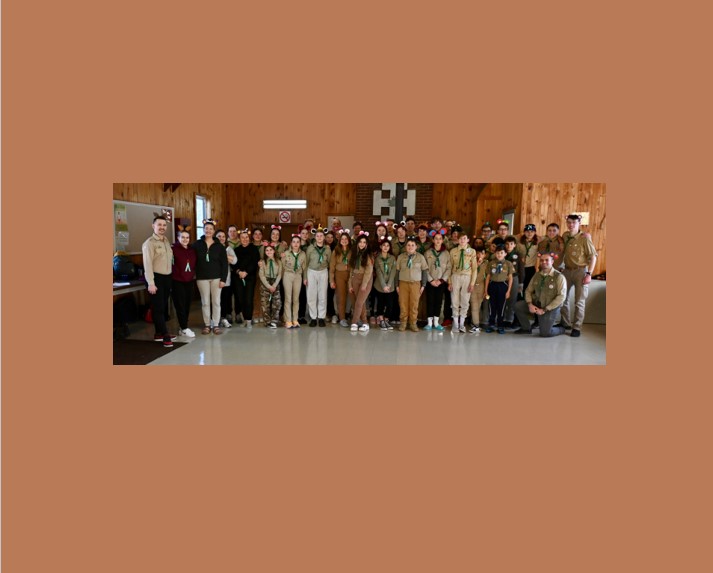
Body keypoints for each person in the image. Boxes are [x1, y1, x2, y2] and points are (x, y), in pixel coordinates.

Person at [513, 251, 567, 337]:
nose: (544, 262)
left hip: (549, 307)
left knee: (545, 333)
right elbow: (528, 290)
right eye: (541, 260)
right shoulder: (537, 275)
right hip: (537, 305)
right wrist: (530, 304)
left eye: (547, 260)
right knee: (518, 305)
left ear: (552, 262)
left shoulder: (559, 277)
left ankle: (561, 329)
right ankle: (526, 328)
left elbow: (561, 297)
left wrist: (545, 309)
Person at [561, 214, 598, 337]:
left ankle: (576, 327)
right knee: (562, 298)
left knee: (579, 301)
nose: (571, 225)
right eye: (569, 222)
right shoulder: (565, 235)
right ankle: (565, 323)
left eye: (574, 222)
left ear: (579, 223)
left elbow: (593, 257)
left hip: (580, 271)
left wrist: (589, 274)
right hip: (567, 271)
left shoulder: (584, 238)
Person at [142, 215, 177, 347]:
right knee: (158, 308)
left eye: (164, 225)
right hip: (155, 278)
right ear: (153, 226)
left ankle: (158, 333)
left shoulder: (166, 241)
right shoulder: (149, 243)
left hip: (167, 278)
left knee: (162, 307)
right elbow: (147, 265)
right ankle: (165, 335)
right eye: (159, 225)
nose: (162, 227)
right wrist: (151, 283)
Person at [192, 219, 228, 335]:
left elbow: (224, 264)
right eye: (206, 228)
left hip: (216, 278)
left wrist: (223, 279)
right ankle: (207, 324)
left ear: (213, 231)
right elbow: (189, 255)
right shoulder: (197, 244)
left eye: (211, 229)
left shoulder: (219, 246)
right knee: (205, 302)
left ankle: (216, 324)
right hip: (202, 278)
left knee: (216, 302)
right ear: (203, 230)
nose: (208, 230)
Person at [395, 238, 428, 332]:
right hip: (403, 283)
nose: (410, 247)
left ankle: (413, 323)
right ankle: (403, 322)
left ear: (416, 247)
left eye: (412, 245)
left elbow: (424, 271)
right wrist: (396, 285)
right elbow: (397, 271)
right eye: (408, 245)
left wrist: (423, 285)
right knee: (403, 304)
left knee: (414, 304)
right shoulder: (401, 257)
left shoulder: (420, 257)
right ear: (406, 247)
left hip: (415, 284)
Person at [448, 234, 477, 333]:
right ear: (457, 240)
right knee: (454, 300)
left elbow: (474, 268)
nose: (462, 240)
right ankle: (455, 324)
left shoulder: (472, 251)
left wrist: (472, 283)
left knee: (465, 300)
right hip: (455, 276)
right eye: (460, 238)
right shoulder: (453, 251)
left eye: (464, 238)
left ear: (468, 240)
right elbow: (450, 267)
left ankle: (462, 324)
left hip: (467, 277)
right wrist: (449, 282)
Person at [171, 228, 197, 338]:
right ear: (178, 238)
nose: (185, 239)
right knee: (180, 305)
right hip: (177, 281)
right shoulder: (173, 249)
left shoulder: (192, 250)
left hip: (189, 280)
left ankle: (183, 327)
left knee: (187, 304)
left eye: (187, 237)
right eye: (182, 237)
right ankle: (184, 327)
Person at [233, 228, 260, 328]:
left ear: (249, 238)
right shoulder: (236, 250)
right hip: (238, 277)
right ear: (239, 239)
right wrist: (239, 272)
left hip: (250, 277)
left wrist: (246, 272)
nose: (245, 239)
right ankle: (245, 318)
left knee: (248, 299)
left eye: (246, 237)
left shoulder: (254, 249)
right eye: (242, 237)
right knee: (241, 299)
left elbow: (255, 262)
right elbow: (233, 264)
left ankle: (249, 320)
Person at [424, 230, 452, 331]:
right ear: (433, 240)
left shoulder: (446, 253)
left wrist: (441, 280)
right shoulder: (427, 252)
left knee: (439, 302)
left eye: (440, 239)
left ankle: (436, 322)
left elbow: (449, 268)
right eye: (436, 239)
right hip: (430, 282)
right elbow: (425, 268)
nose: (438, 241)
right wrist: (431, 280)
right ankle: (429, 323)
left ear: (443, 240)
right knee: (430, 301)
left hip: (441, 282)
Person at [305, 226, 332, 326]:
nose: (319, 238)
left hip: (323, 272)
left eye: (321, 236)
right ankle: (313, 317)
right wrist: (305, 277)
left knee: (322, 295)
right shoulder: (310, 248)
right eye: (317, 236)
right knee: (311, 295)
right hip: (311, 271)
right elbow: (306, 263)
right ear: (315, 237)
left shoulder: (327, 249)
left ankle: (321, 317)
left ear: (324, 237)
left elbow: (330, 262)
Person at [484, 244, 513, 334]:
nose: (499, 254)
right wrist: (486, 290)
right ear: (495, 253)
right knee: (492, 306)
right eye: (497, 253)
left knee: (501, 307)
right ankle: (491, 325)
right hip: (492, 285)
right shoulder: (491, 263)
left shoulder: (508, 264)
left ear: (505, 254)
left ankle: (500, 325)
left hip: (503, 285)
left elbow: (510, 278)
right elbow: (488, 277)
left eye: (501, 253)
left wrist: (508, 291)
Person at [348, 233, 374, 331]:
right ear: (357, 243)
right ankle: (365, 323)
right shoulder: (354, 254)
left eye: (364, 242)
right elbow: (351, 270)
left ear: (367, 244)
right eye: (360, 242)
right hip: (355, 278)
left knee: (359, 302)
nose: (362, 244)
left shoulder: (369, 255)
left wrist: (364, 284)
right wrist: (350, 284)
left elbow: (368, 272)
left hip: (365, 280)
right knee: (360, 303)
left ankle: (354, 322)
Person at [282, 234, 308, 329]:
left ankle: (295, 319)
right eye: (294, 242)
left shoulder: (303, 254)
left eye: (298, 242)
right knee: (288, 298)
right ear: (291, 243)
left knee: (296, 299)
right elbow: (282, 266)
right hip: (288, 275)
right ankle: (288, 320)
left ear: (300, 243)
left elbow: (305, 268)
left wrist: (305, 278)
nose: (296, 244)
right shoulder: (286, 253)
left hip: (298, 276)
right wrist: (282, 278)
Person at [329, 230, 352, 327]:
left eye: (346, 239)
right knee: (341, 297)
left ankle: (352, 316)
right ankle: (342, 318)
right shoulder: (336, 251)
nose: (344, 240)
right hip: (339, 275)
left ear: (349, 240)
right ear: (340, 240)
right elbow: (332, 267)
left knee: (351, 296)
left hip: (350, 275)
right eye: (342, 239)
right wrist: (331, 280)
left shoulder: (352, 251)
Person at [373, 237, 396, 330]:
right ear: (380, 247)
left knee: (390, 304)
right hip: (380, 285)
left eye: (387, 246)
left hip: (390, 286)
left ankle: (386, 319)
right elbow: (378, 272)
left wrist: (389, 285)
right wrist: (384, 286)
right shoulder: (377, 258)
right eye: (384, 245)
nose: (386, 247)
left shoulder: (392, 258)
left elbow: (393, 271)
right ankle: (381, 320)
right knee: (380, 303)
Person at [216, 229, 237, 329]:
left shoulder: (228, 248)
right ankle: (215, 319)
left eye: (223, 236)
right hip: (214, 278)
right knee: (215, 300)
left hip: (226, 279)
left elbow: (234, 260)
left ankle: (223, 318)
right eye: (219, 236)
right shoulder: (212, 248)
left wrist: (224, 256)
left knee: (224, 300)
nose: (221, 238)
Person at [258, 244, 283, 328]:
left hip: (275, 282)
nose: (269, 252)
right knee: (265, 303)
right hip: (266, 283)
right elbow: (261, 275)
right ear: (265, 252)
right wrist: (269, 286)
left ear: (274, 251)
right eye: (267, 250)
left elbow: (280, 274)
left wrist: (274, 285)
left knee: (277, 303)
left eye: (271, 250)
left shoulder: (278, 261)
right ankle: (267, 321)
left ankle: (274, 321)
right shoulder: (263, 262)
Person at [503, 235, 525, 328]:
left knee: (512, 299)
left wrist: (521, 283)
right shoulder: (502, 253)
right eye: (507, 244)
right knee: (504, 299)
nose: (509, 246)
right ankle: (503, 318)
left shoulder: (518, 255)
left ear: (515, 245)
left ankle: (509, 319)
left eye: (511, 244)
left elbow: (521, 270)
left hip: (514, 278)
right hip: (503, 278)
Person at [468, 247, 489, 332]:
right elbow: (470, 272)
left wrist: (486, 290)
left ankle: (475, 323)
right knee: (474, 305)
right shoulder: (471, 262)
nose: (479, 255)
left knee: (479, 305)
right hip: (472, 285)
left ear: (485, 255)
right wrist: (477, 264)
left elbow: (487, 277)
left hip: (482, 285)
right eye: (478, 253)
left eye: (482, 253)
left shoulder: (487, 263)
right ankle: (476, 324)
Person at [226, 224, 242, 323]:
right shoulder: (225, 243)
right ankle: (228, 313)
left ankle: (238, 313)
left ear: (237, 232)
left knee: (238, 293)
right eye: (230, 231)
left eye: (234, 231)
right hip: (228, 271)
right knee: (228, 293)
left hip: (238, 271)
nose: (232, 233)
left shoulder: (241, 242)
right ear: (228, 233)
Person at [520, 223, 539, 292]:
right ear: (524, 232)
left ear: (535, 232)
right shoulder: (519, 242)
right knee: (520, 287)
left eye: (532, 231)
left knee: (529, 287)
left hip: (530, 268)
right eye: (527, 231)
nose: (529, 233)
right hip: (520, 268)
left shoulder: (537, 242)